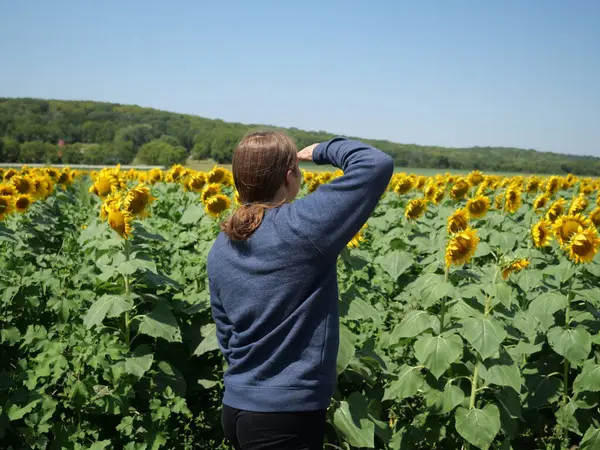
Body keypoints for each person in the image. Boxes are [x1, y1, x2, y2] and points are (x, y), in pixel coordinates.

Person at [206, 131, 394, 450]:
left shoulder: (222, 245)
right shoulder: (302, 227)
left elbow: (226, 333)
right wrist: (322, 150)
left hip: (238, 408)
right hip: (284, 417)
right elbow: (375, 163)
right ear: (289, 175)